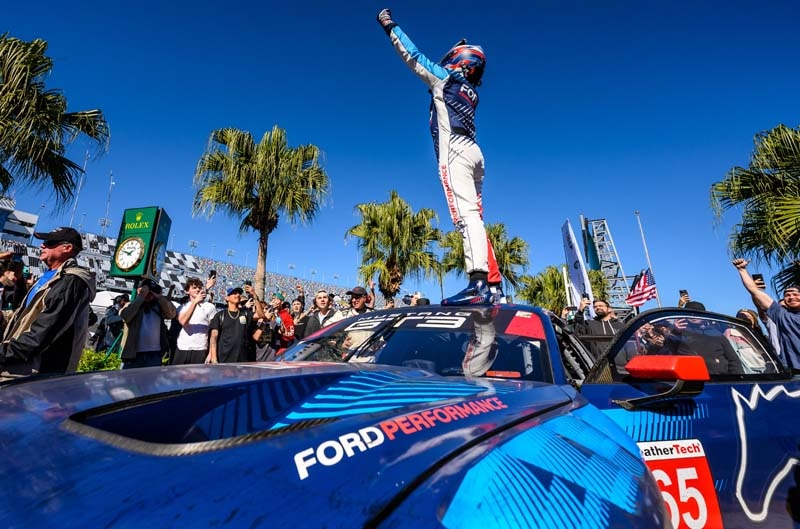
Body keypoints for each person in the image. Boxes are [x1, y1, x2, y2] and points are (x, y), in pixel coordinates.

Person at [377, 8, 504, 305]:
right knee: (476, 218)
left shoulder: (446, 79)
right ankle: (495, 285)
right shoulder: (470, 91)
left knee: (465, 217)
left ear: (459, 60)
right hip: (474, 152)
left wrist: (390, 26)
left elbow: (414, 57)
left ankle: (478, 283)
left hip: (455, 151)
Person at [0, 227, 95, 377]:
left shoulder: (71, 280)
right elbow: (26, 317)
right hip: (17, 365)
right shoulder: (48, 277)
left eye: (49, 242)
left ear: (67, 248)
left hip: (35, 373)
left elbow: (44, 330)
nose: (42, 245)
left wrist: (4, 353)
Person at [733, 258, 800, 372]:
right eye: (787, 295)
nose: (791, 297)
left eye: (795, 294)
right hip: (792, 371)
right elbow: (754, 291)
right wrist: (742, 270)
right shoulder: (780, 314)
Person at [119, 278, 177, 369]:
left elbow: (172, 314)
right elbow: (126, 316)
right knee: (129, 378)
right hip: (133, 354)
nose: (149, 294)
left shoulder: (158, 306)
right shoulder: (131, 305)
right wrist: (141, 296)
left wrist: (160, 297)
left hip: (154, 354)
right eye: (148, 291)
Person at [207, 287, 261, 364]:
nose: (238, 295)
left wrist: (255, 296)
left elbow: (260, 315)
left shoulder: (245, 313)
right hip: (224, 359)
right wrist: (214, 358)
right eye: (234, 293)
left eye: (239, 293)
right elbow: (213, 338)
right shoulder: (220, 315)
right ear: (227, 298)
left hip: (242, 360)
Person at [173, 276, 217, 365]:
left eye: (199, 287)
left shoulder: (210, 307)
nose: (197, 289)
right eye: (194, 287)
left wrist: (210, 353)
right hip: (182, 348)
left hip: (201, 349)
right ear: (187, 291)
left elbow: (213, 332)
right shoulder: (183, 306)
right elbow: (183, 321)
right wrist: (194, 303)